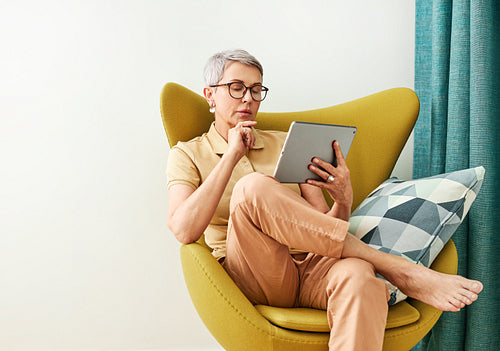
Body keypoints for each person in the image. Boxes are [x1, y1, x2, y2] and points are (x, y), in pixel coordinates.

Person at [166, 49, 483, 350]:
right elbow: (183, 230)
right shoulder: (187, 154)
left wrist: (343, 201)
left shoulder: (284, 142)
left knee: (360, 276)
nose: (248, 98)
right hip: (255, 273)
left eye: (256, 89)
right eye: (236, 88)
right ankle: (400, 270)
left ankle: (380, 269)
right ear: (210, 95)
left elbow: (325, 227)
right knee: (252, 187)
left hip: (311, 267)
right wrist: (231, 157)